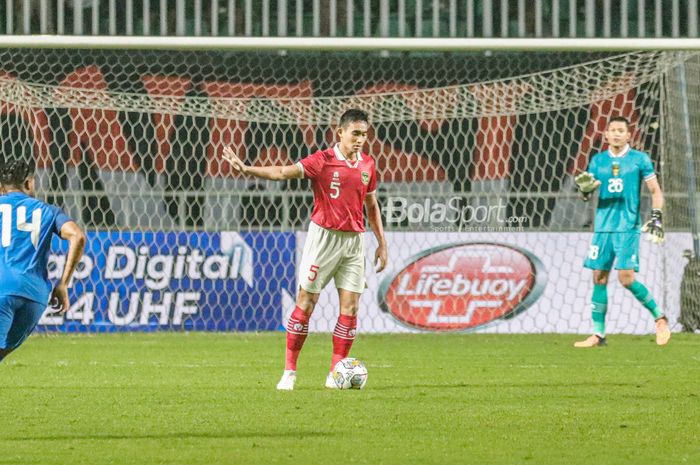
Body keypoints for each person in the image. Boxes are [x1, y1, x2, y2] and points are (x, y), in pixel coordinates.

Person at [222, 108, 388, 389]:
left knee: (350, 307)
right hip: (323, 239)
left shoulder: (368, 165)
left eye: (364, 134)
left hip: (354, 242)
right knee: (306, 303)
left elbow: (371, 204)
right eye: (355, 133)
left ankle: (337, 372)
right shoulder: (321, 161)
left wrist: (381, 242)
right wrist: (247, 169)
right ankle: (289, 372)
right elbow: (282, 172)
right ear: (341, 132)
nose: (361, 139)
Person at [574, 115, 670, 347]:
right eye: (612, 130)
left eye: (621, 130)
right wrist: (585, 192)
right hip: (603, 227)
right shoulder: (597, 161)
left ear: (629, 135)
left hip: (627, 227)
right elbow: (587, 193)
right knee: (599, 278)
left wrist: (656, 217)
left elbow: (656, 192)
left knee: (626, 279)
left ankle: (660, 318)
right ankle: (598, 334)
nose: (616, 134)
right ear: (606, 135)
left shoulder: (640, 160)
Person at [0, 159, 85, 362]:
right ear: (29, 184)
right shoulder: (49, 210)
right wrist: (63, 284)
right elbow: (78, 237)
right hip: (34, 297)